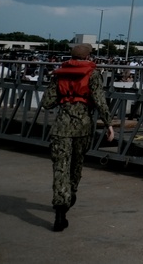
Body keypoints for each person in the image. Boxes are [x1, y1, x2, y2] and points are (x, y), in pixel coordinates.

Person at [39, 43, 114, 232]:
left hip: (61, 127)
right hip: (83, 127)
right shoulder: (93, 74)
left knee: (60, 168)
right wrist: (108, 124)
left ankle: (60, 211)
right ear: (88, 57)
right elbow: (99, 100)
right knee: (76, 165)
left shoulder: (60, 74)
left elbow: (47, 103)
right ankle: (71, 194)